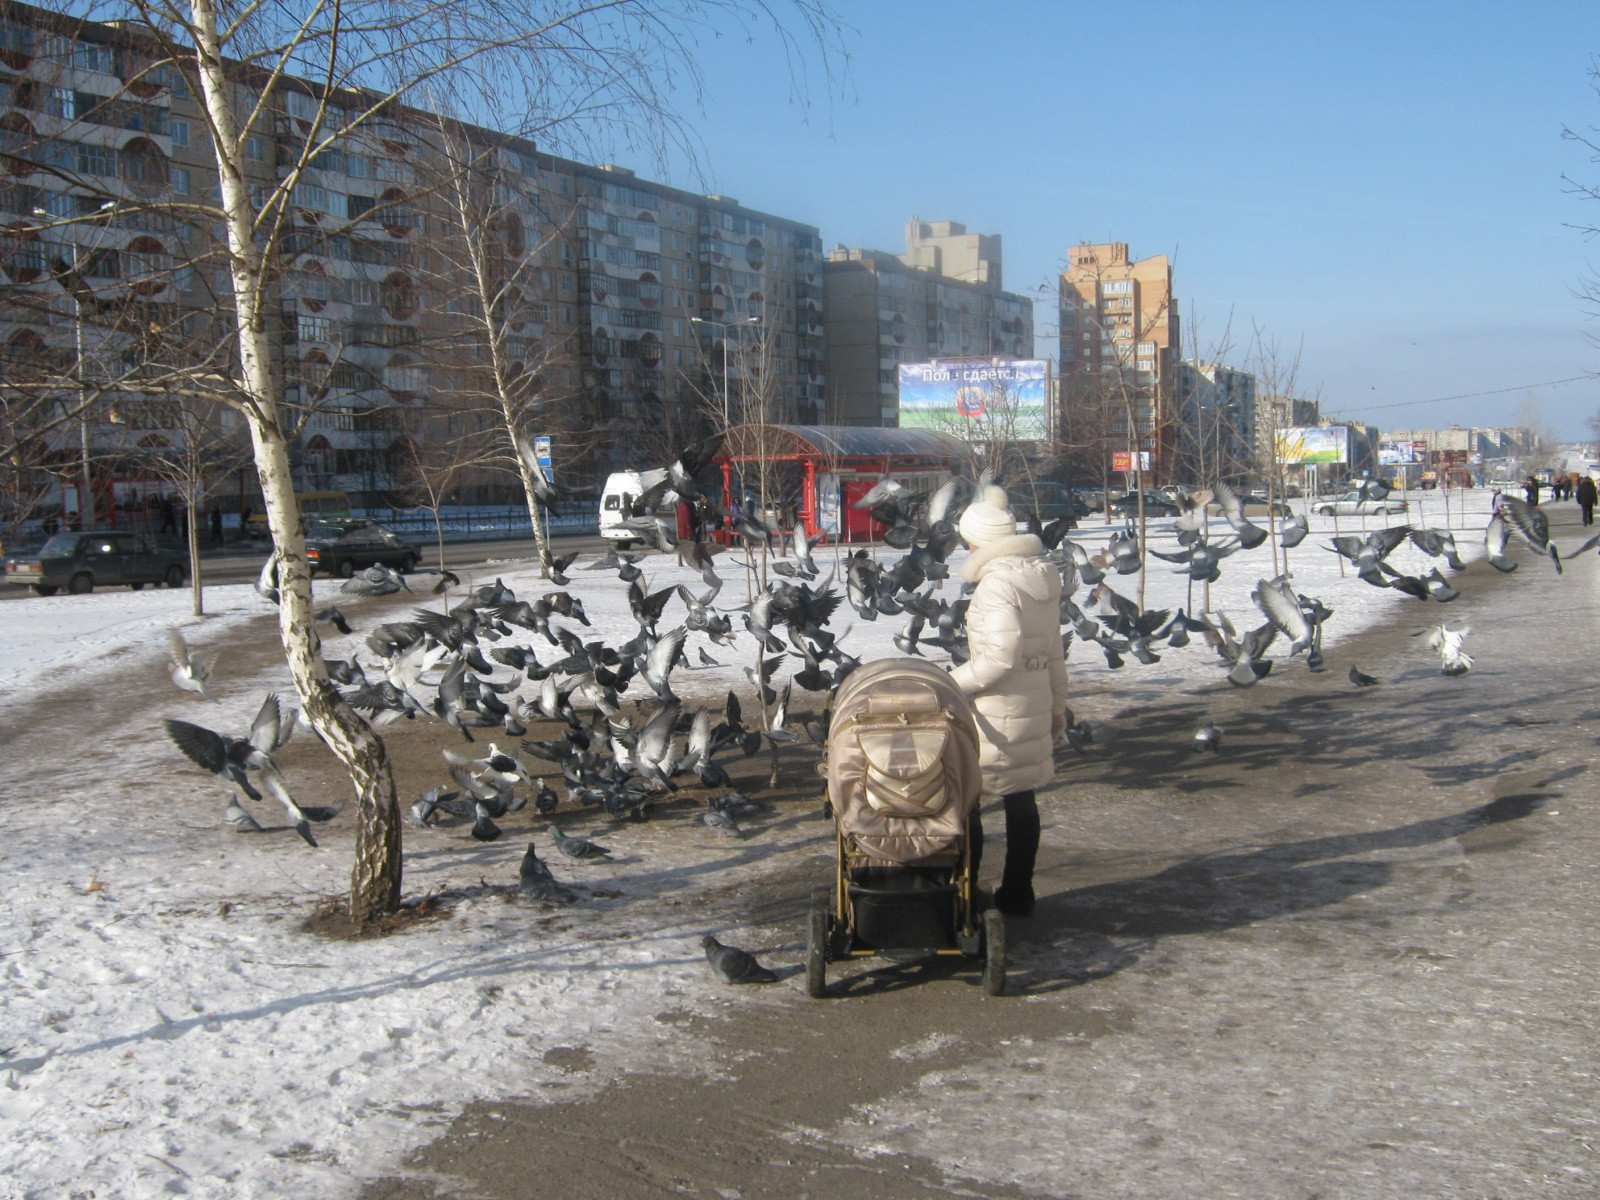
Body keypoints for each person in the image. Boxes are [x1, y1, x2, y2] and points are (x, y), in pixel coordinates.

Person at [948, 485, 1069, 917]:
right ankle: (1018, 894)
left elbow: (997, 660)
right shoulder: (1039, 575)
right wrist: (1056, 704)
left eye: (967, 538)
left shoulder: (996, 585)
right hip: (1033, 699)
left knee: (969, 799)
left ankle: (968, 895)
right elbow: (1054, 650)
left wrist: (948, 684)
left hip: (997, 707)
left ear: (978, 540)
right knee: (1022, 798)